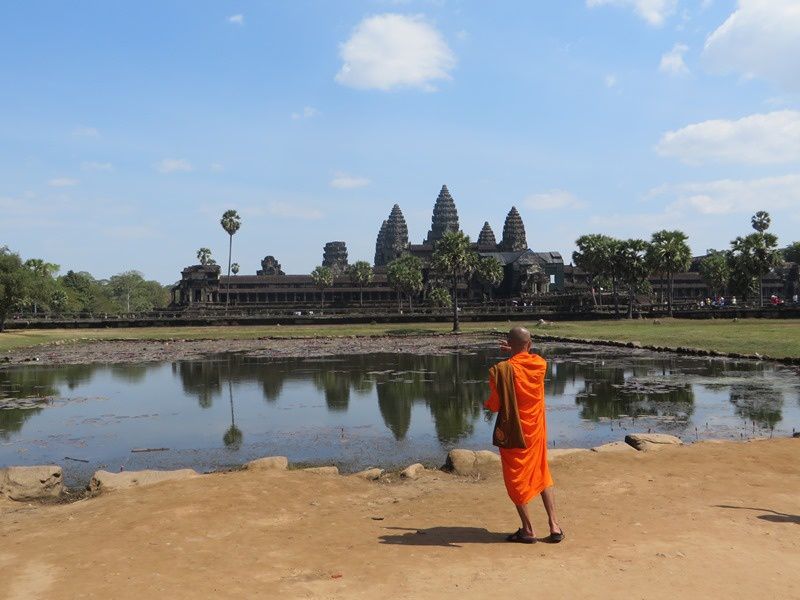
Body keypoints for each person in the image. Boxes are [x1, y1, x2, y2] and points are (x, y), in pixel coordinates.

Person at [485, 326, 564, 544]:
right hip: (535, 433)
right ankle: (554, 525)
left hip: (514, 435)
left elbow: (495, 405)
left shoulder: (499, 370)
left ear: (508, 344)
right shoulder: (540, 364)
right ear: (529, 345)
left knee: (516, 478)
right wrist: (516, 351)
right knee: (542, 473)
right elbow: (525, 358)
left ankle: (528, 529)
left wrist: (508, 359)